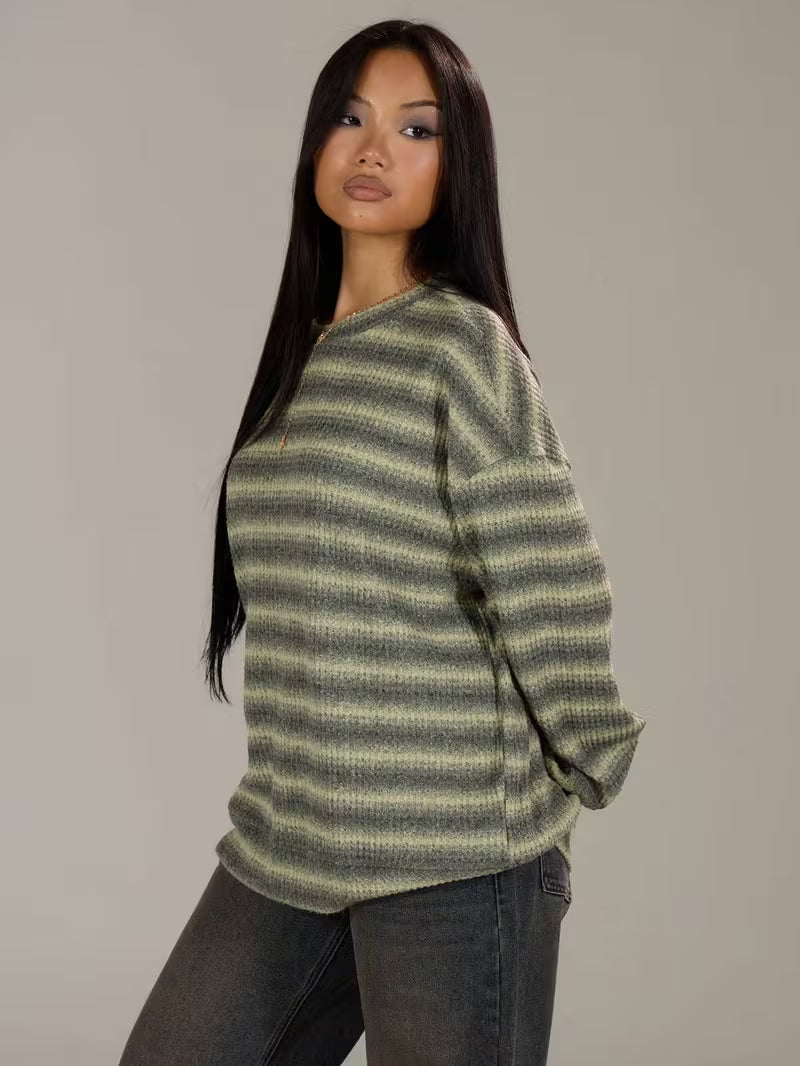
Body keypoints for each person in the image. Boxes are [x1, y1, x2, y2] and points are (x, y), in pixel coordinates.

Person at [118, 18, 646, 1066]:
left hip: (454, 846)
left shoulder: (461, 345)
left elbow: (547, 577)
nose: (372, 149)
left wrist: (585, 756)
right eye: (349, 118)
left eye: (415, 129)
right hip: (294, 834)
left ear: (457, 168)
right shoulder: (301, 362)